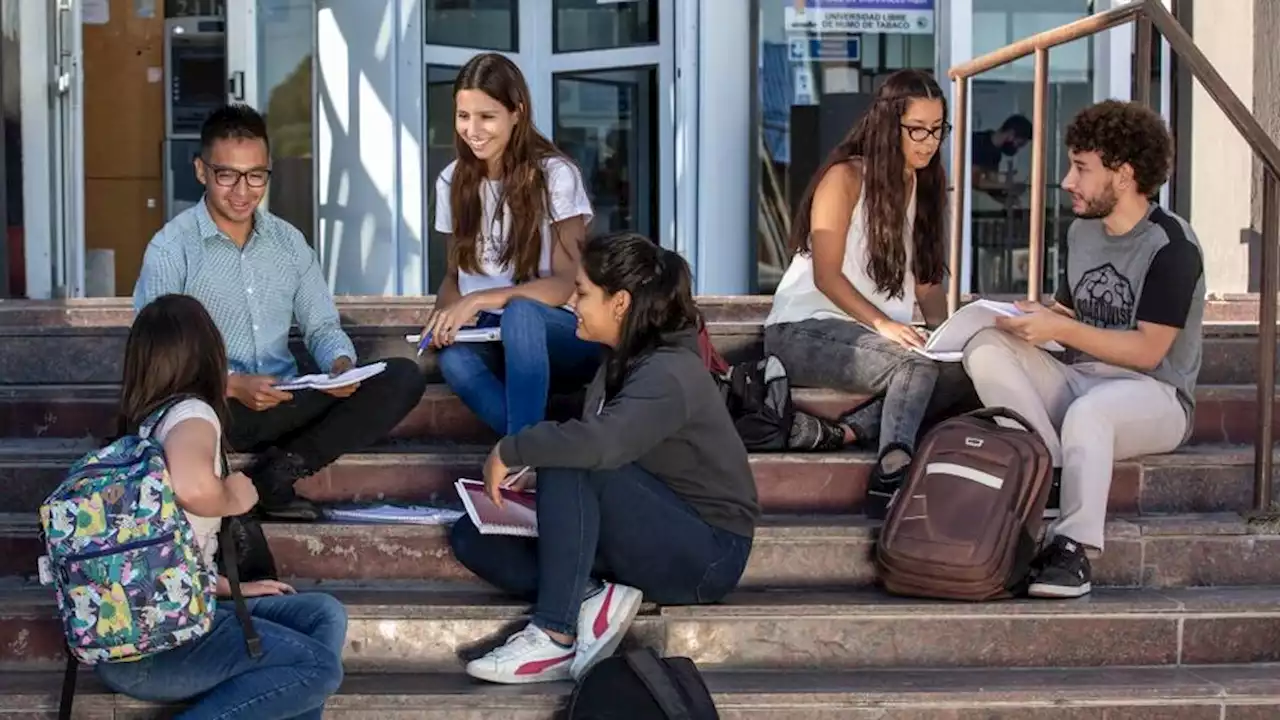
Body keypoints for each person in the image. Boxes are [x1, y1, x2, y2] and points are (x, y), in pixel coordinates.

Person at [449, 233, 759, 685]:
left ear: (620, 303)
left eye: (583, 292)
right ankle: (595, 595)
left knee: (571, 456)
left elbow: (600, 446)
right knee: (474, 538)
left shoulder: (670, 370)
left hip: (707, 554)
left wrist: (512, 449)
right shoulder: (620, 358)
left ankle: (553, 636)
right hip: (647, 528)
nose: (572, 303)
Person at [134, 104, 427, 521]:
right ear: (201, 171)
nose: (242, 190)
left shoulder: (289, 243)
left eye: (255, 176)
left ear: (268, 170)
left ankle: (278, 472)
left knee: (401, 377)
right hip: (213, 409)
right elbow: (157, 360)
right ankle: (236, 493)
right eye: (227, 175)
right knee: (191, 416)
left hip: (284, 398)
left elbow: (322, 326)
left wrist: (340, 365)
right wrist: (232, 385)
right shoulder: (171, 249)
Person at [962, 100, 1204, 599]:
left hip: (1154, 395)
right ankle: (1051, 469)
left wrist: (1063, 329)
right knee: (984, 346)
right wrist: (1031, 318)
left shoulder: (1172, 245)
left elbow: (1147, 351)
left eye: (1081, 168)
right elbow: (1074, 317)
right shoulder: (1081, 231)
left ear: (1124, 173)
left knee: (1091, 414)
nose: (1068, 181)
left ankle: (1072, 551)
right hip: (1082, 379)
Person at [94, 293, 346, 719]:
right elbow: (194, 488)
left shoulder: (142, 427)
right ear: (207, 352)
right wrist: (236, 495)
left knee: (321, 615)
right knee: (317, 666)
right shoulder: (192, 413)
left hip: (133, 634)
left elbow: (155, 557)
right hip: (161, 647)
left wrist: (231, 588)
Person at [763, 69, 975, 520]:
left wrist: (947, 335)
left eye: (938, 130)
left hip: (877, 338)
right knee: (915, 366)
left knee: (968, 371)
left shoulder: (927, 183)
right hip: (804, 328)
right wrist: (883, 324)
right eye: (917, 128)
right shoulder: (845, 177)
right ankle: (892, 470)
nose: (929, 141)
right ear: (887, 123)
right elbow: (826, 275)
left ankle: (845, 434)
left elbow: (927, 282)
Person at [424, 52, 600, 437]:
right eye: (463, 116)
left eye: (487, 117)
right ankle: (531, 449)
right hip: (490, 337)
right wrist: (444, 317)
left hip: (559, 335)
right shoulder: (451, 182)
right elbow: (455, 277)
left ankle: (522, 453)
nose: (473, 130)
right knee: (454, 360)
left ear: (517, 113)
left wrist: (480, 300)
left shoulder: (555, 175)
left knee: (522, 312)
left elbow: (567, 283)